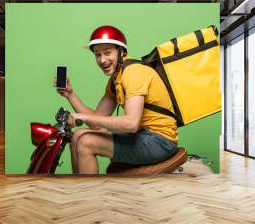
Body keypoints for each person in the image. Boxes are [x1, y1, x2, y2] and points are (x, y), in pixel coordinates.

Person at [54, 25, 179, 174]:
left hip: (160, 141)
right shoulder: (116, 79)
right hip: (141, 136)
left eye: (107, 53)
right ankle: (78, 188)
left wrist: (81, 116)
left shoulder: (133, 73)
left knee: (85, 142)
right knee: (78, 136)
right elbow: (96, 122)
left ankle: (89, 195)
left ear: (121, 52)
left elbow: (131, 123)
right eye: (97, 55)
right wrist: (70, 94)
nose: (102, 60)